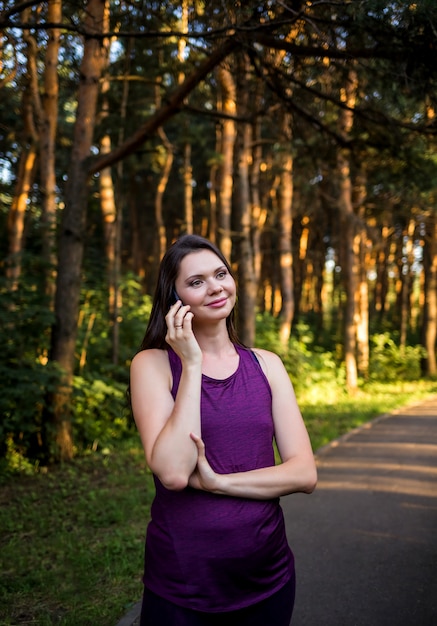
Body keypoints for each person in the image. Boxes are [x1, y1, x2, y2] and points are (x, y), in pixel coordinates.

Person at [130, 234, 317, 626]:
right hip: (183, 586)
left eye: (221, 274)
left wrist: (219, 483)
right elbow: (174, 472)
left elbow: (303, 473)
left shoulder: (267, 365)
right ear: (174, 298)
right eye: (196, 281)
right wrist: (192, 364)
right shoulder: (153, 365)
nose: (215, 286)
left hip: (269, 577)